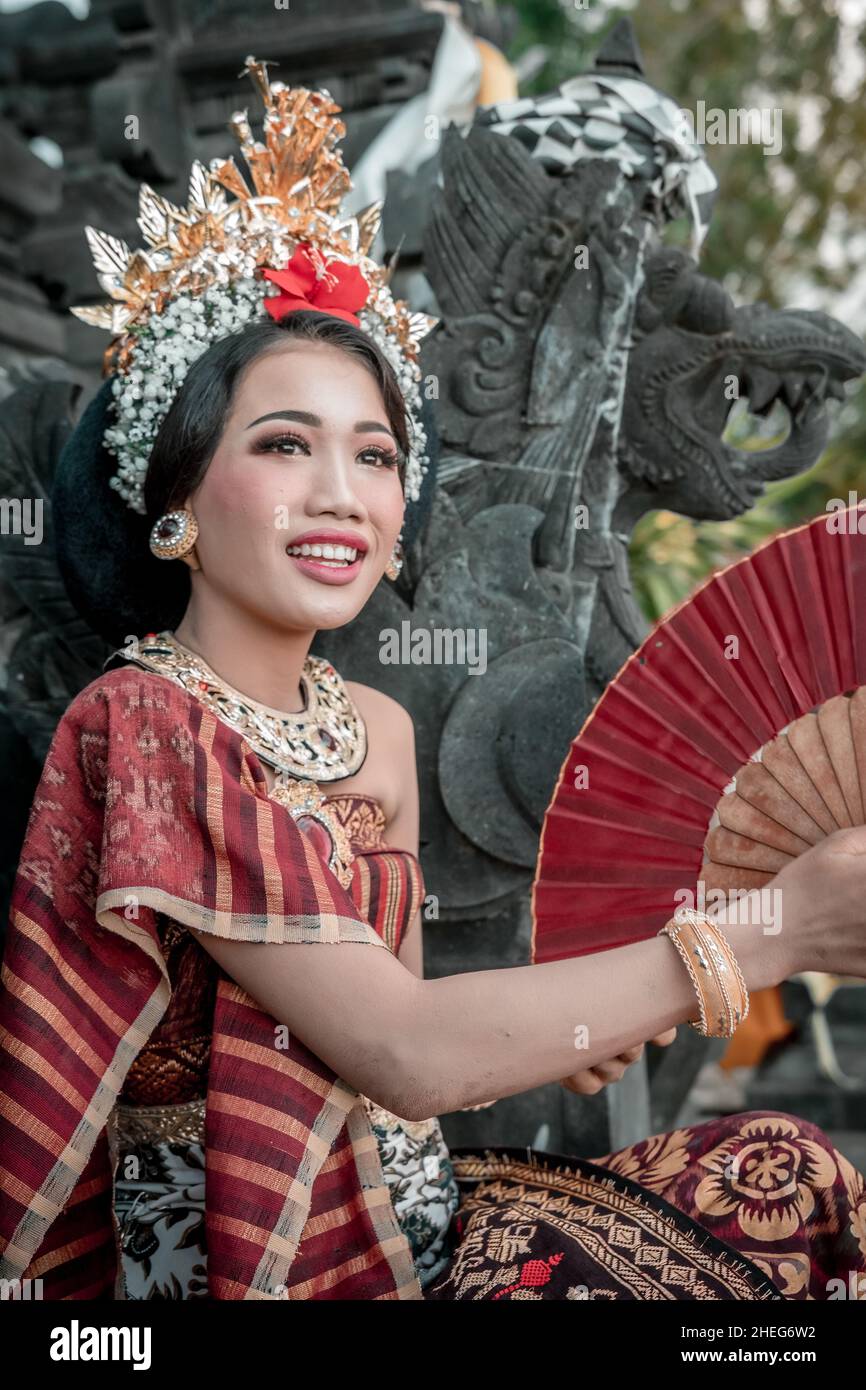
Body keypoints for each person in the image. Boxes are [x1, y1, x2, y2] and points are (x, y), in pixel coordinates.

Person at [1, 62, 865, 1303]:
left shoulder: (379, 728)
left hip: (406, 1207)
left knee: (791, 1178)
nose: (341, 494)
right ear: (178, 499)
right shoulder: (149, 724)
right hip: (246, 1260)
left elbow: (395, 1019)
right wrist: (767, 933)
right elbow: (403, 1055)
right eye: (283, 444)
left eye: (374, 454)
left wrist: (570, 1024)